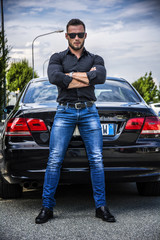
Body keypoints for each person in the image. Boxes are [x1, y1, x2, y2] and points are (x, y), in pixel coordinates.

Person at [35, 19, 116, 224]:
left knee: (96, 160)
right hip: (65, 112)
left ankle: (101, 207)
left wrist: (69, 77)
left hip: (89, 111)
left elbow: (102, 76)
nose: (77, 38)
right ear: (67, 36)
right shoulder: (57, 57)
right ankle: (47, 207)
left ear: (85, 35)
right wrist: (87, 77)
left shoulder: (96, 58)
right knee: (54, 160)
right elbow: (54, 77)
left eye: (80, 34)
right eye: (73, 35)